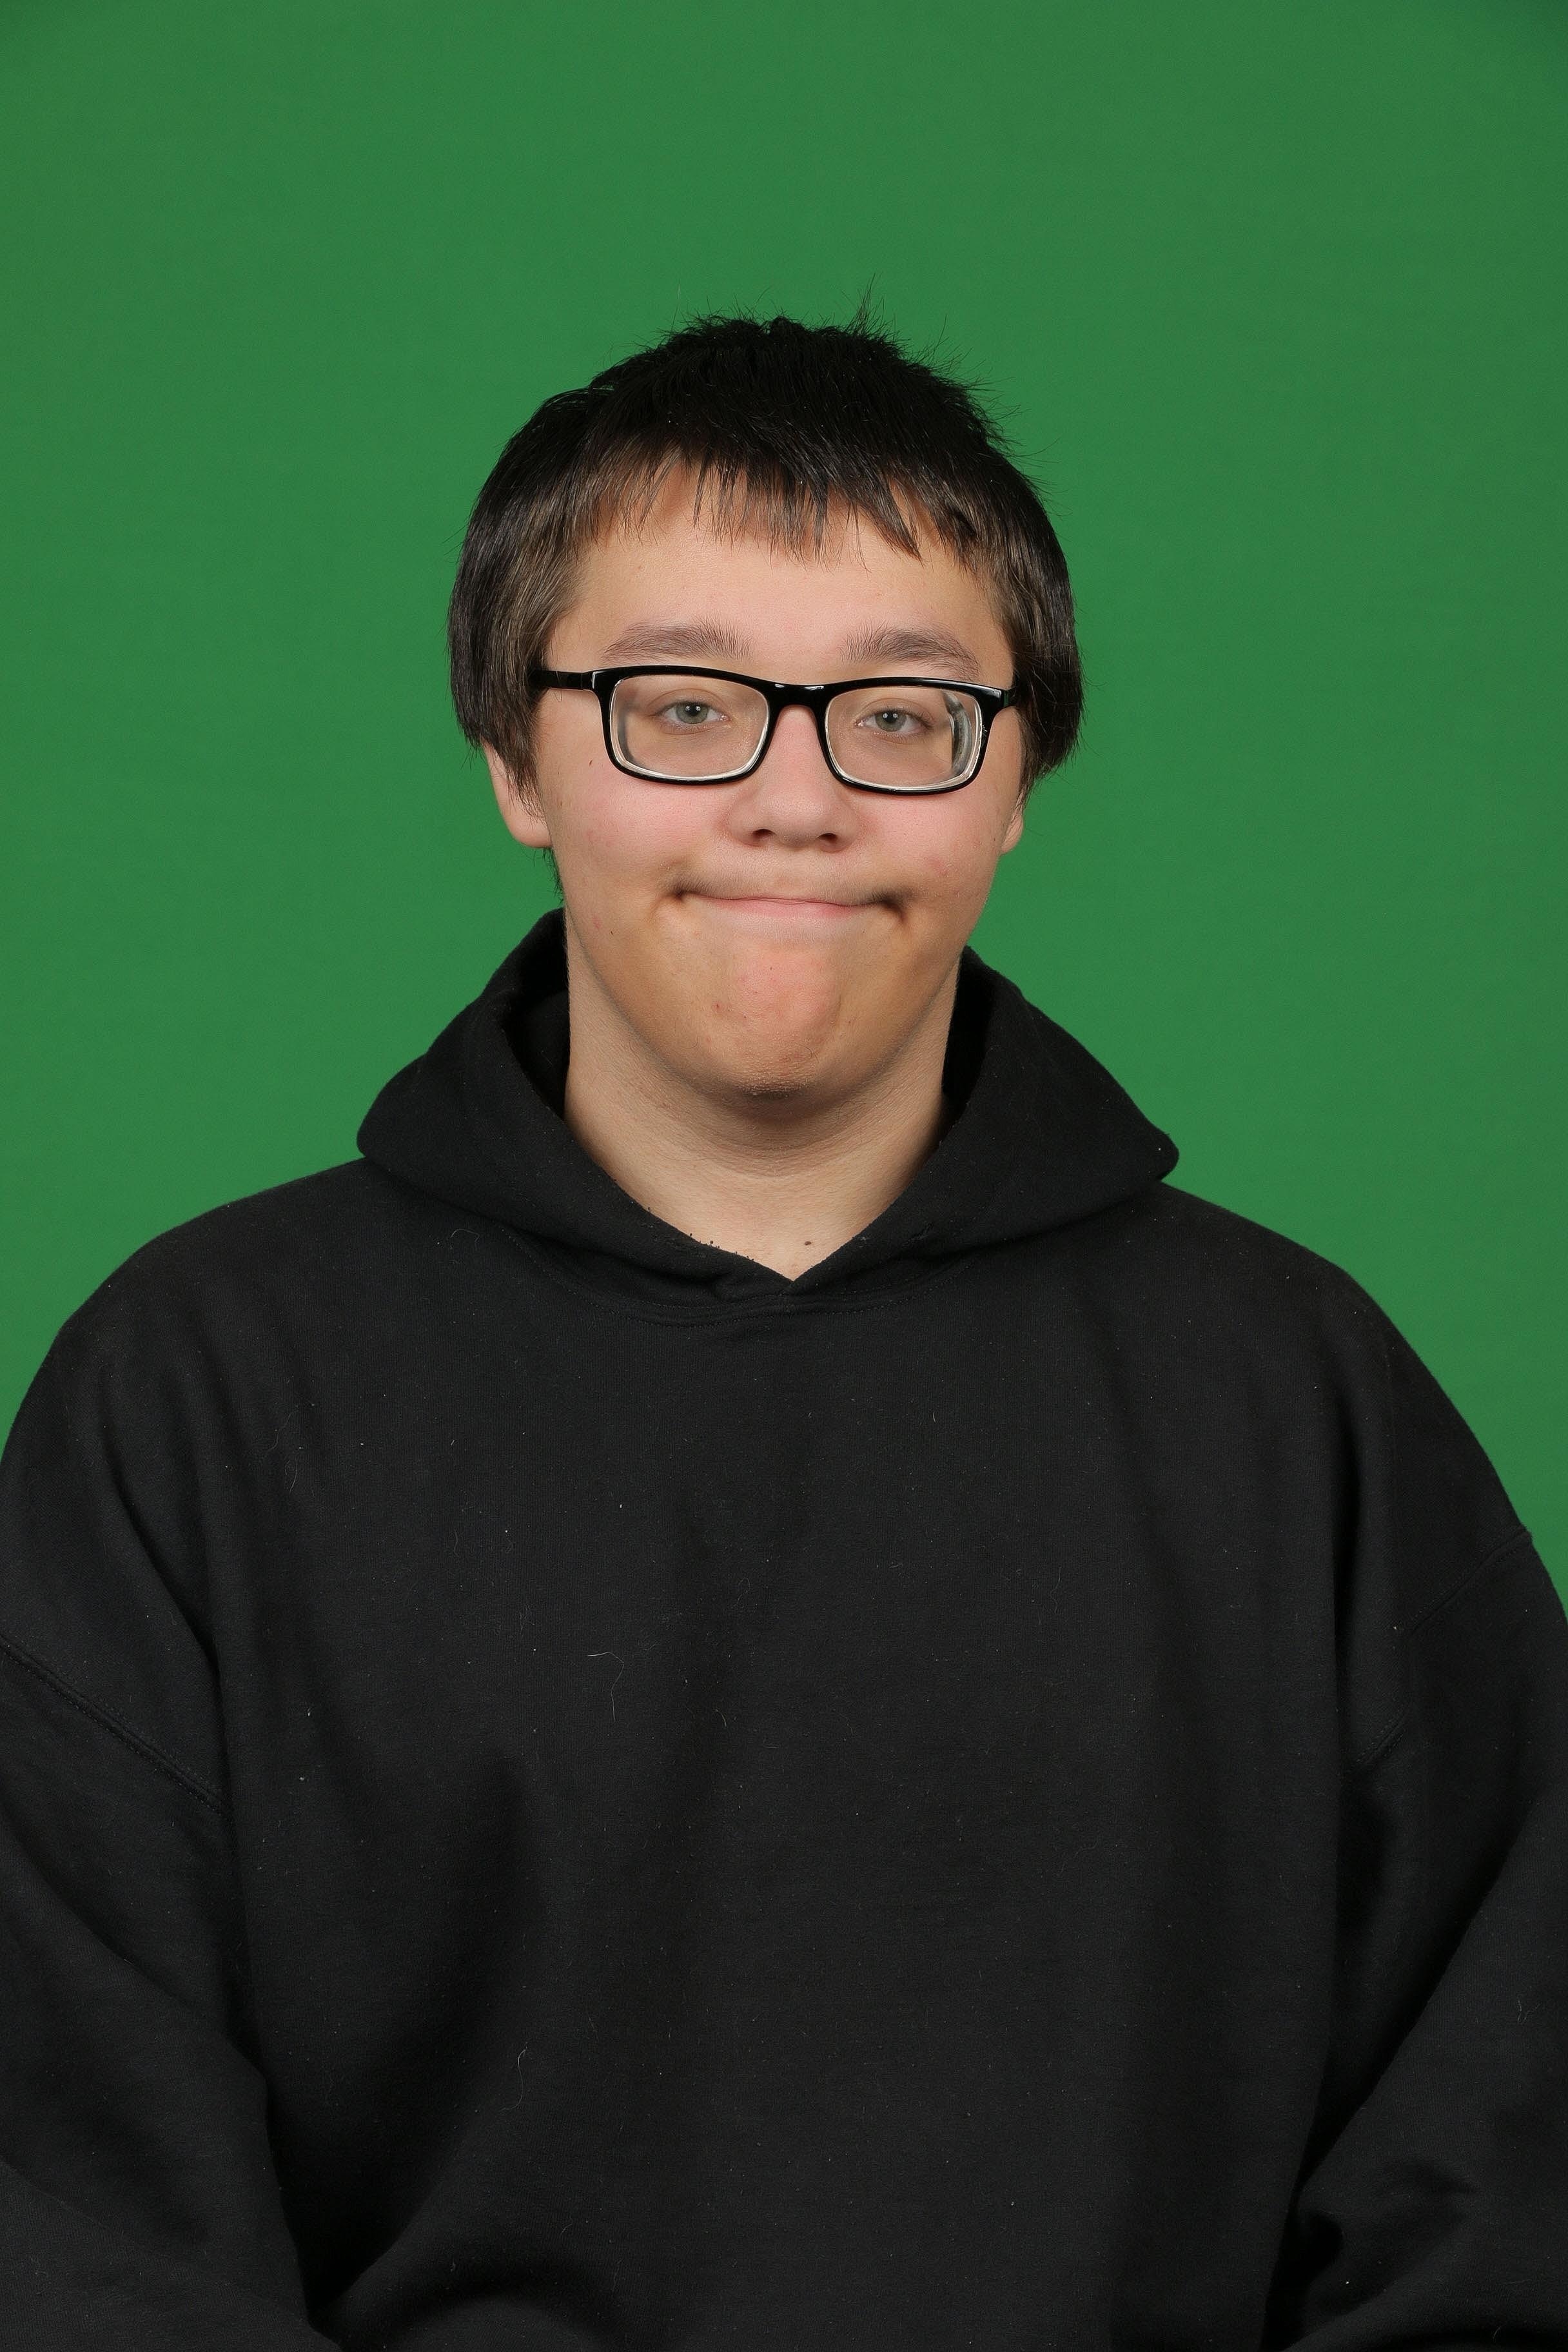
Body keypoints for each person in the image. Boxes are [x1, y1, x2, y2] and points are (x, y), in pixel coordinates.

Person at [1, 311, 1563, 2352]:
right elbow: (76, 2216)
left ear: (1017, 777)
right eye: (682, 707)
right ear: (515, 758)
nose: (794, 800)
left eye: (903, 716)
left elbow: (1499, 2198)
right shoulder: (195, 1395)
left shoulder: (1297, 1402)